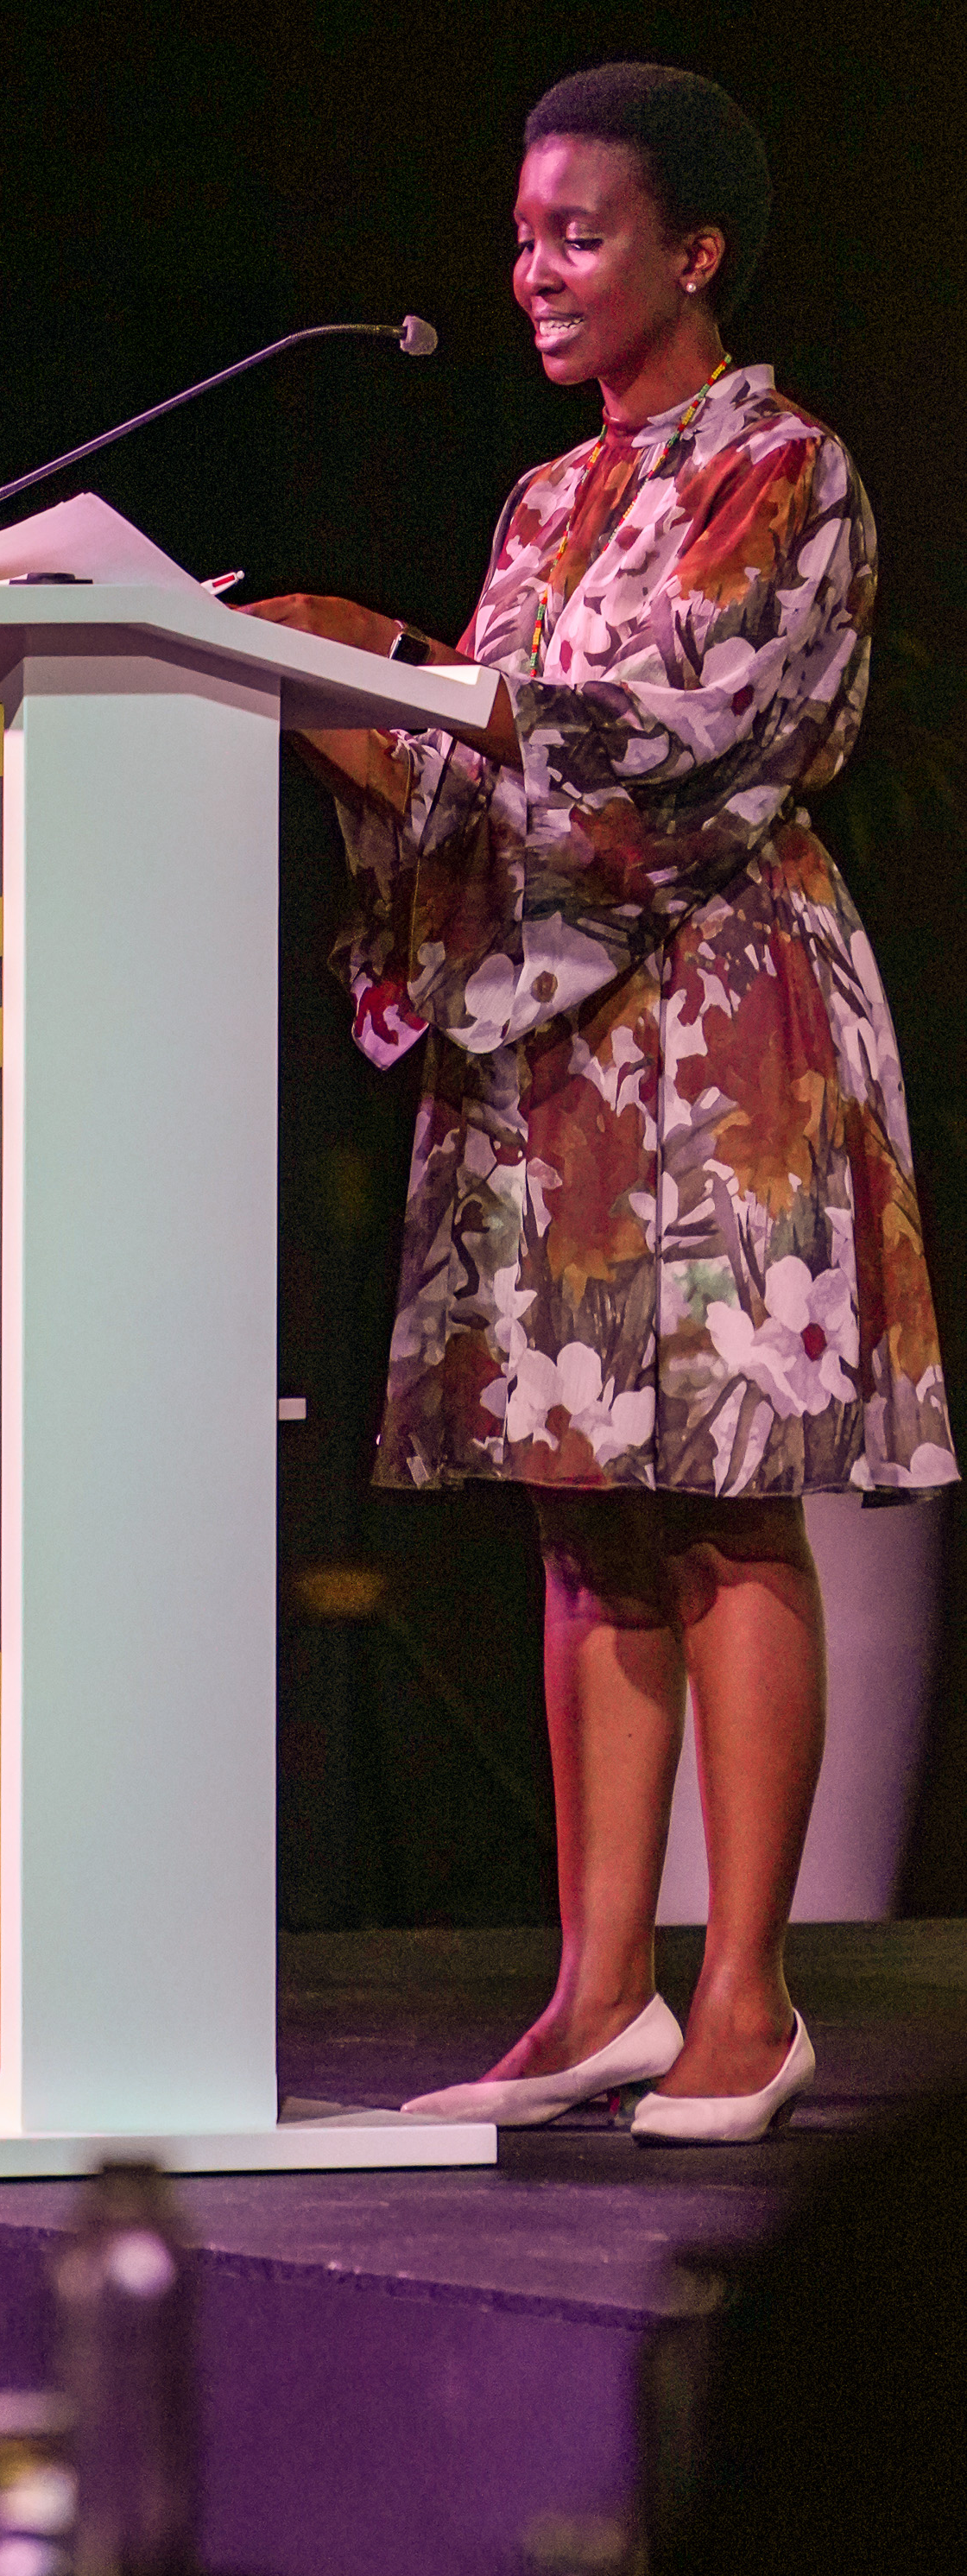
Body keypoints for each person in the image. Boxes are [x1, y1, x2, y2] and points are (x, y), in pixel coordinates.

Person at [248, 62, 958, 2143]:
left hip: (720, 1033)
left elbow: (665, 738)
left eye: (577, 233)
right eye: (521, 236)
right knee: (582, 1513)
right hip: (549, 1041)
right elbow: (469, 772)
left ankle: (747, 2000)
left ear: (690, 252)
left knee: (724, 1497)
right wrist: (306, 693)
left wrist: (388, 655)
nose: (533, 271)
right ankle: (596, 1994)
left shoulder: (785, 470)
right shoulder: (543, 501)